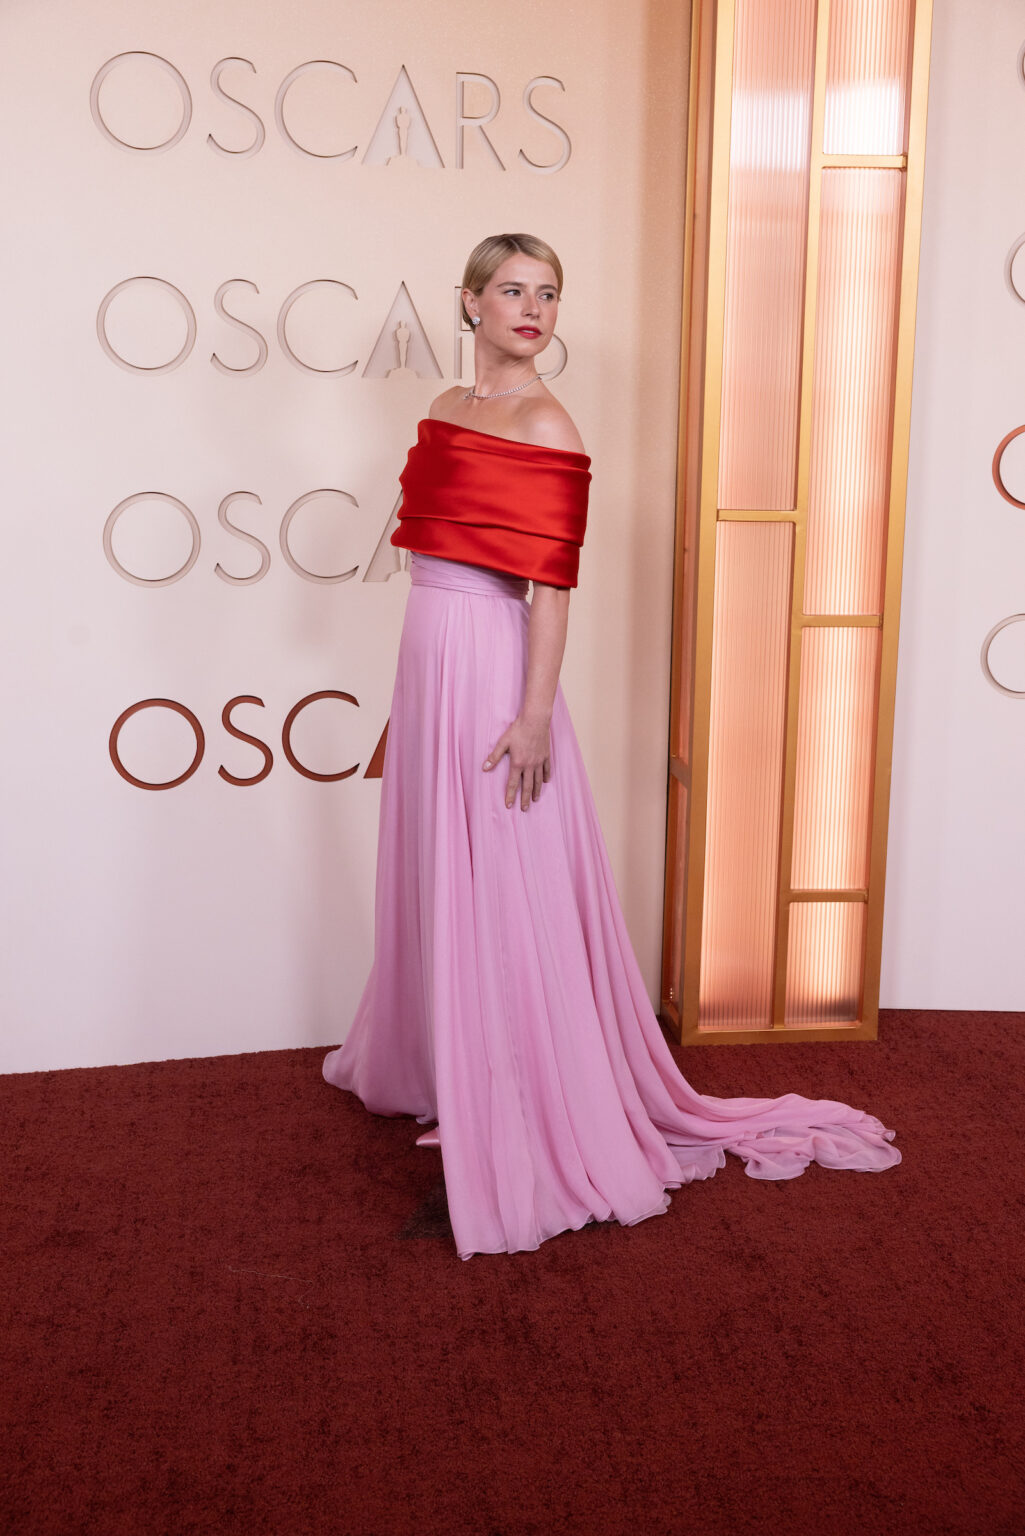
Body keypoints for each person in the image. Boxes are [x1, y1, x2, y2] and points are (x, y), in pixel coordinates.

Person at [323, 232, 901, 1260]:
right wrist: (403, 704)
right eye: (510, 290)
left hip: (499, 671)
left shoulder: (547, 419)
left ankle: (526, 1102)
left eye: (547, 292)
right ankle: (454, 1067)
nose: (531, 308)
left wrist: (535, 712)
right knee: (439, 873)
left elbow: (549, 587)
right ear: (468, 305)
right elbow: (432, 570)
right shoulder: (445, 411)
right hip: (431, 660)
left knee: (503, 879)